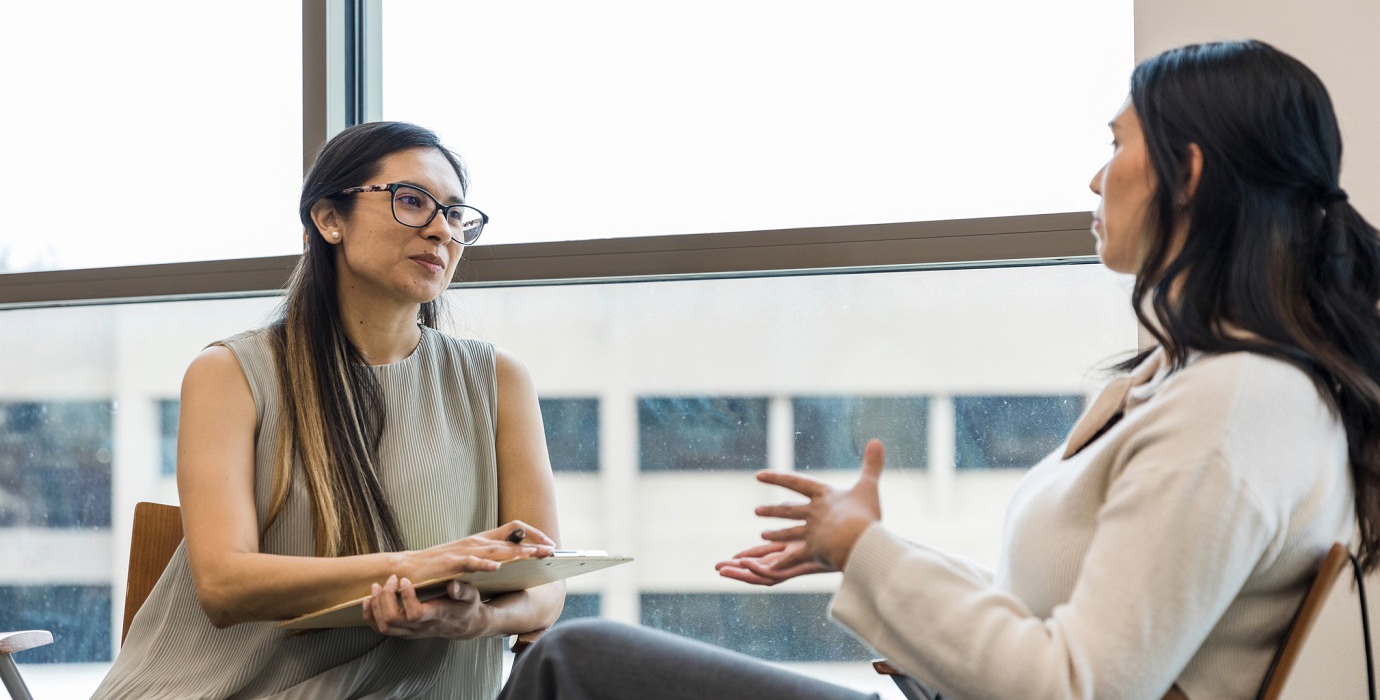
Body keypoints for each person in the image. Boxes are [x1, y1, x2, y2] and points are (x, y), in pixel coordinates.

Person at [499, 40, 1380, 700]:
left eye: (1116, 144)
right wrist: (866, 555)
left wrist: (869, 552)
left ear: (1186, 171)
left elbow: (1074, 687)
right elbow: (1050, 631)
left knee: (576, 664)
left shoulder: (1235, 404)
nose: (1094, 177)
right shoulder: (1194, 385)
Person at [93, 121, 565, 699]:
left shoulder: (498, 380)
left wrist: (478, 619)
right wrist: (426, 565)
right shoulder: (229, 373)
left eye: (456, 214)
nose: (443, 230)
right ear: (329, 219)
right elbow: (222, 584)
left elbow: (546, 581)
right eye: (412, 201)